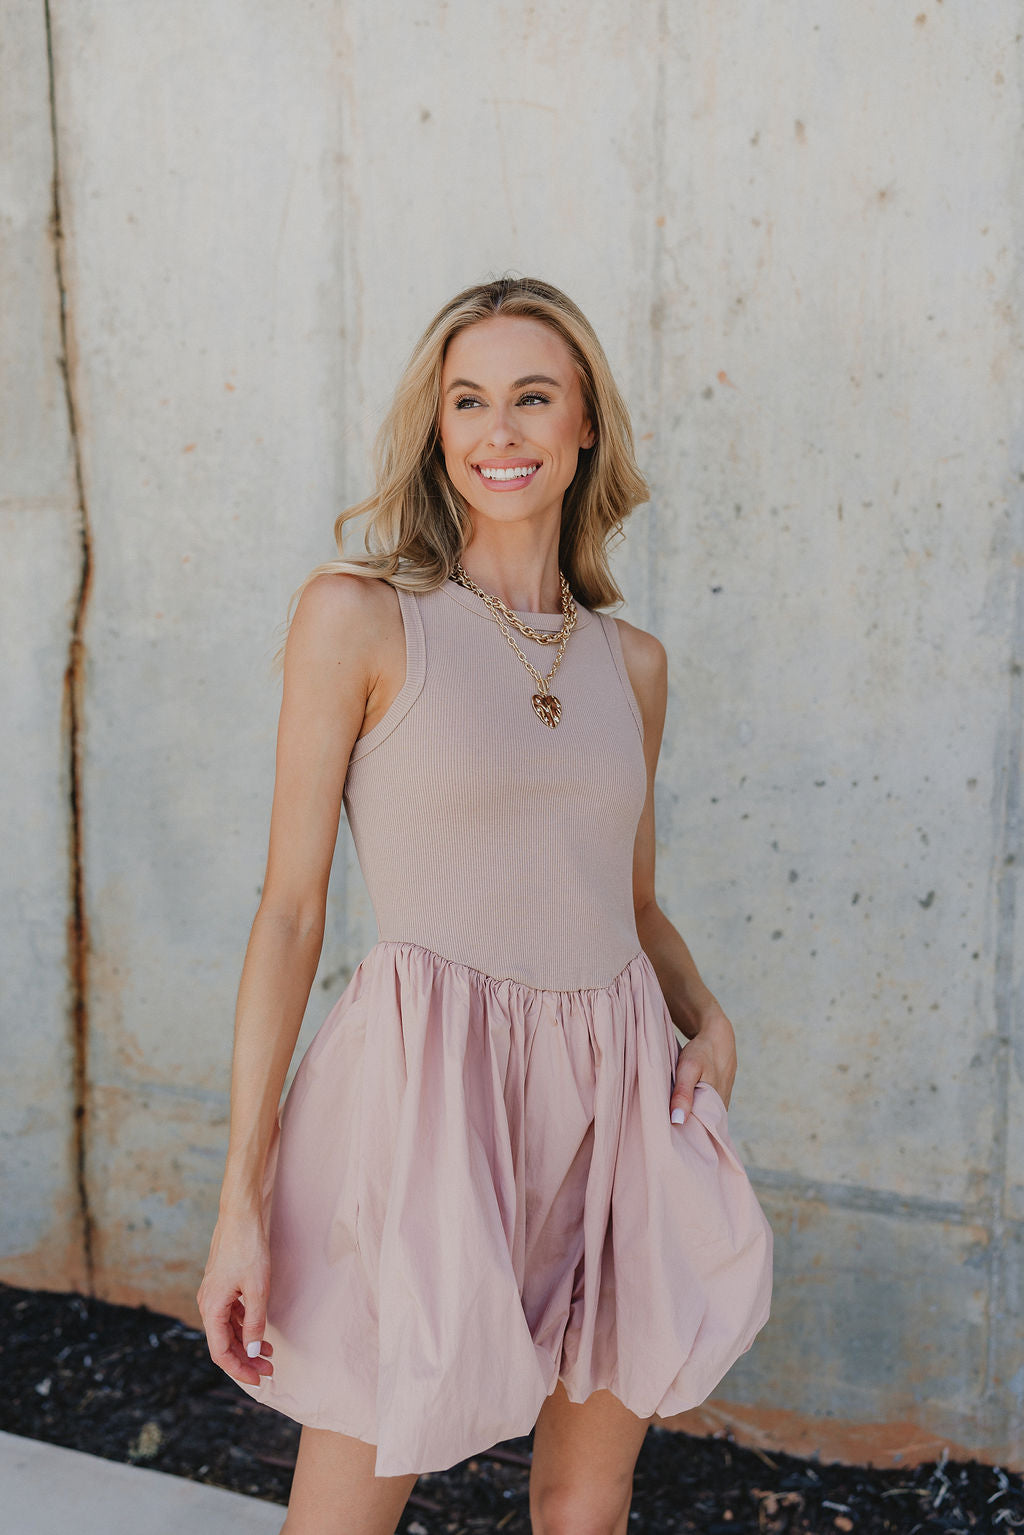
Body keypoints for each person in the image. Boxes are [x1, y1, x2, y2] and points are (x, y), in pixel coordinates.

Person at [196, 275, 774, 1535]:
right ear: (437, 428)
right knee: (348, 1507)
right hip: (426, 1097)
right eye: (468, 400)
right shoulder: (358, 619)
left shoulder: (632, 664)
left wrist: (707, 1014)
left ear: (583, 431)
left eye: (530, 398)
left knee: (582, 1501)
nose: (497, 431)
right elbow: (291, 911)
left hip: (617, 1093)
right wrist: (240, 1196)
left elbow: (627, 898)